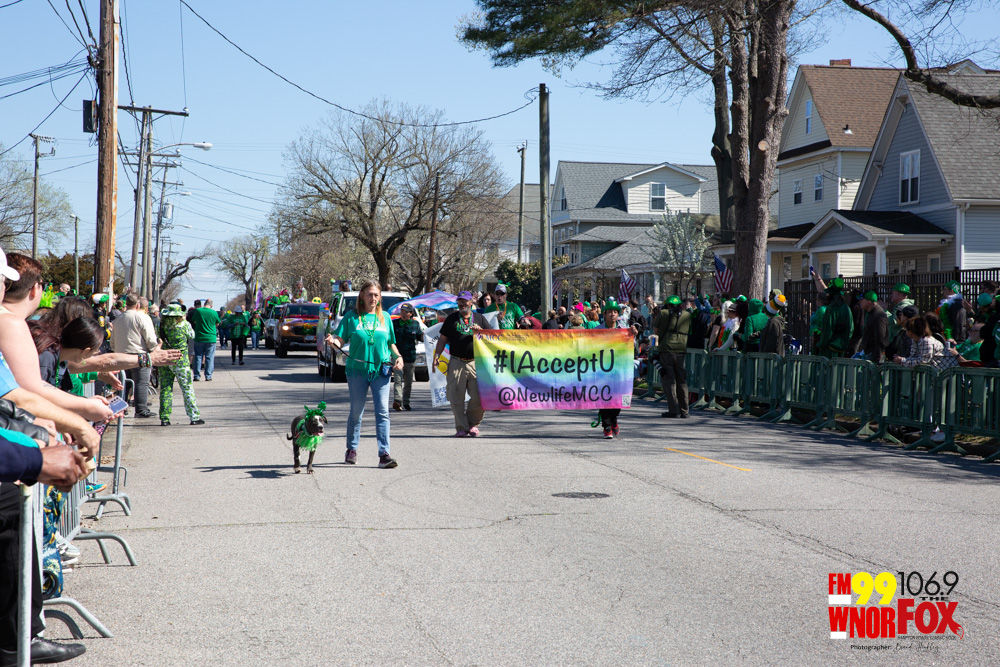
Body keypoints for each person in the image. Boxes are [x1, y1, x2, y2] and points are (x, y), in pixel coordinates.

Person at [325, 279, 402, 467]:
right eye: (369, 294)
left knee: (382, 412)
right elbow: (341, 340)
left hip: (381, 371)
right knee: (356, 412)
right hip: (357, 371)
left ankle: (384, 454)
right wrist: (333, 342)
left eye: (376, 295)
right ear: (362, 295)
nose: (373, 298)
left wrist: (398, 357)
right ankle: (351, 449)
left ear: (380, 297)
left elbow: (390, 343)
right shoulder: (351, 317)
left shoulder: (385, 317)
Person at [433, 291, 489, 438]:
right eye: (460, 301)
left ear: (471, 302)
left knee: (479, 396)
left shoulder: (480, 318)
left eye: (465, 301)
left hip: (476, 362)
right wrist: (437, 355)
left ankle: (473, 424)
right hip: (456, 361)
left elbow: (491, 339)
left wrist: (480, 333)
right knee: (455, 396)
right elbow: (442, 339)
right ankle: (462, 427)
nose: (462, 304)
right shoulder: (451, 319)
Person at [158, 304, 205, 426]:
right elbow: (192, 335)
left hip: (165, 359)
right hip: (181, 360)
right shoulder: (184, 325)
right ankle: (194, 416)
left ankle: (164, 418)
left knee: (166, 389)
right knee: (187, 388)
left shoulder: (161, 325)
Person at [111, 293, 158, 417]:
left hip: (121, 355)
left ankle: (120, 409)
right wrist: (153, 350)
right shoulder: (142, 317)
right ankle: (141, 409)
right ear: (138, 305)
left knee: (122, 383)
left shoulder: (118, 319)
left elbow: (113, 341)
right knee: (141, 383)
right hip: (140, 354)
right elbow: (150, 339)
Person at [656, 295, 691, 419]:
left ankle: (673, 410)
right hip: (681, 349)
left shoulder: (663, 313)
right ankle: (685, 411)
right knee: (682, 381)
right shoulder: (687, 315)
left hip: (666, 349)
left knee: (669, 380)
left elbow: (655, 331)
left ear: (668, 304)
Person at [391, 304, 422, 411]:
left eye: (406, 312)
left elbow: (420, 337)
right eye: (402, 311)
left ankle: (406, 402)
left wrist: (428, 335)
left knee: (408, 382)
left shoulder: (415, 324)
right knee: (398, 380)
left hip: (410, 357)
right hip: (397, 357)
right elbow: (390, 339)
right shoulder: (394, 323)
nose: (403, 314)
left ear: (411, 313)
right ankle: (398, 401)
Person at [817, 278, 853, 358]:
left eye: (828, 293)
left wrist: (821, 345)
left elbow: (827, 331)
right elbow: (851, 329)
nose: (827, 295)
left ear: (832, 295)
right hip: (842, 349)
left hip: (830, 350)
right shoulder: (847, 308)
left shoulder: (831, 309)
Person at [188, 300, 221, 381]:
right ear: (211, 306)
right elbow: (217, 323)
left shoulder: (198, 311)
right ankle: (208, 376)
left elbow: (194, 321)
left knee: (198, 356)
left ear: (204, 304)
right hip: (211, 338)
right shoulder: (214, 312)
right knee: (209, 357)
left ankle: (196, 375)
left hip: (199, 337)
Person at [858, 291, 889, 362]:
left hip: (874, 355)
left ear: (869, 302)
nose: (860, 302)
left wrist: (877, 358)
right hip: (869, 352)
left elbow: (880, 338)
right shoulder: (870, 312)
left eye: (862, 300)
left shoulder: (878, 315)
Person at [979, 294, 1000, 368]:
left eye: (994, 297)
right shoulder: (993, 315)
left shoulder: (996, 317)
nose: (992, 300)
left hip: (994, 358)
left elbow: (984, 333)